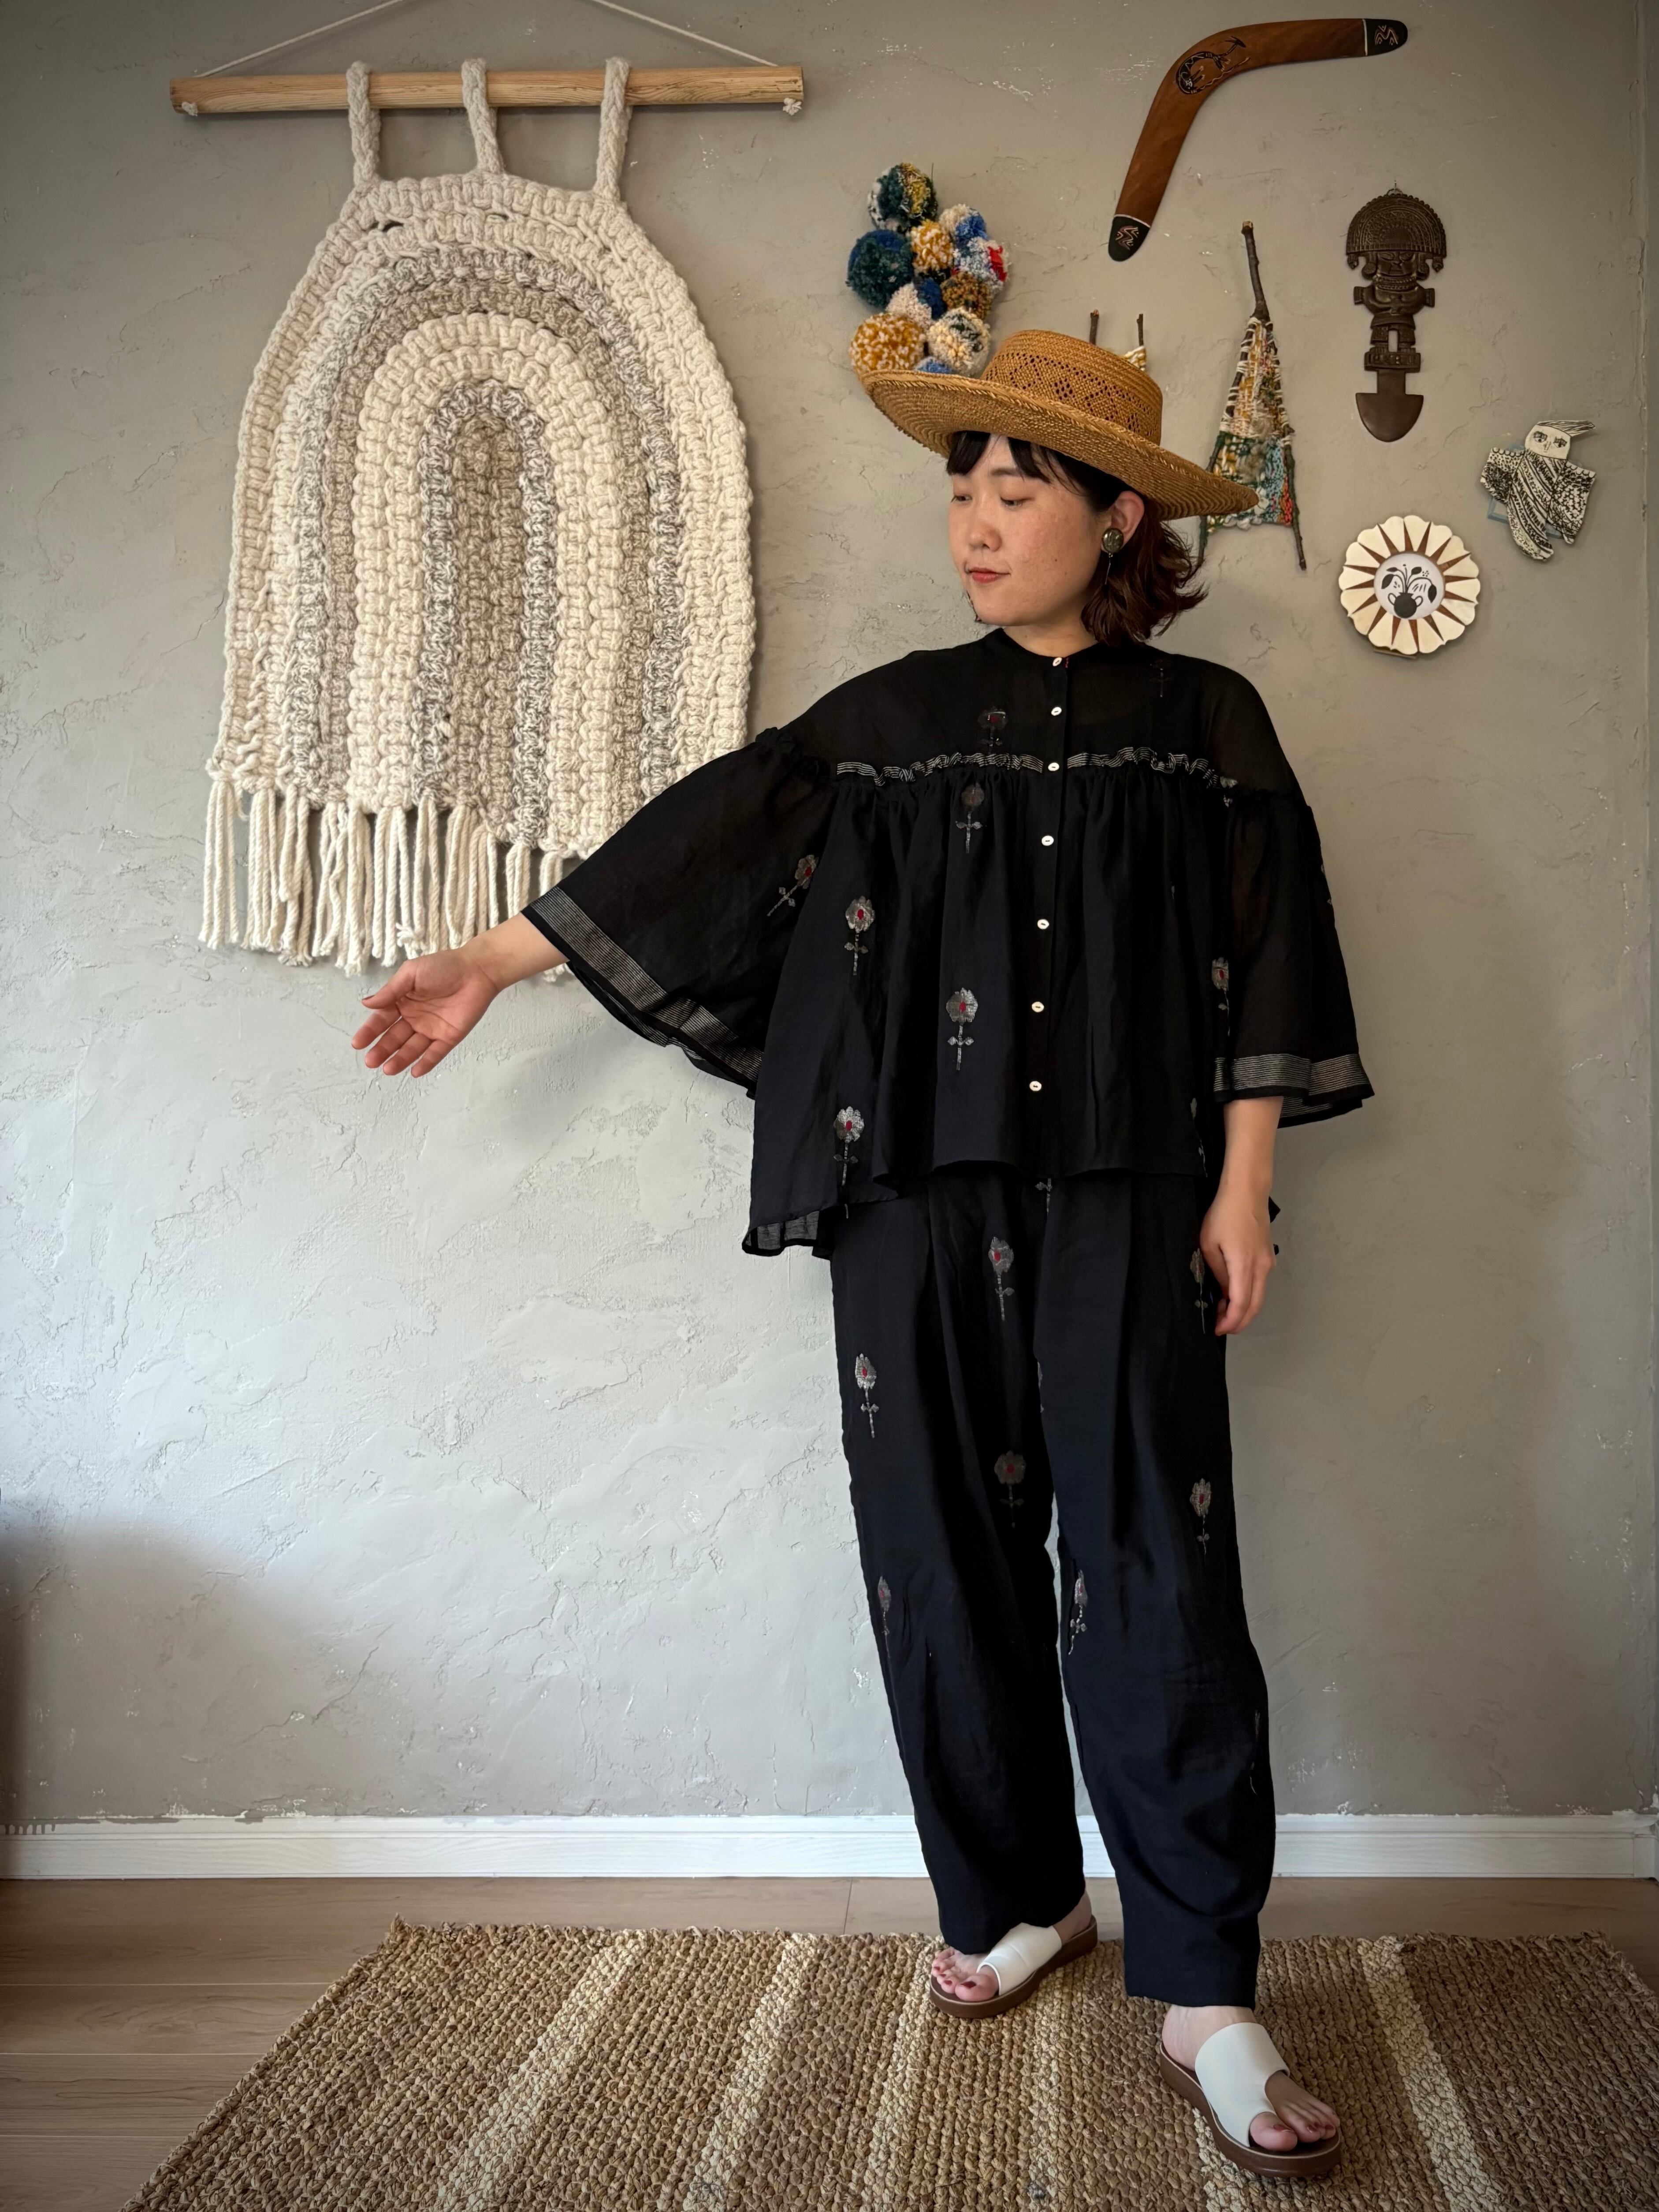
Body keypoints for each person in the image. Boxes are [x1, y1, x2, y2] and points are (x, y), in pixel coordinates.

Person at [351, 327, 1370, 2181]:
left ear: (1114, 517)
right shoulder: (890, 719)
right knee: (933, 1542)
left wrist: (1242, 1189)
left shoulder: (1205, 721)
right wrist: (494, 962)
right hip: (910, 1187)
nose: (974, 524)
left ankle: (1205, 1988)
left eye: (1016, 492)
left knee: (1150, 1553)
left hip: (1134, 1188)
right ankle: (1017, 1894)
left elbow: (1270, 959)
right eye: (960, 490)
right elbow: (700, 847)